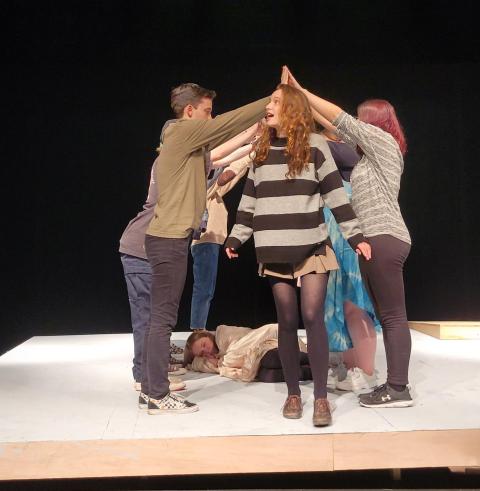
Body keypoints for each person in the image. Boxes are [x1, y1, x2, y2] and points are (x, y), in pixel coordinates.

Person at [225, 84, 371, 426]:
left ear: (291, 108)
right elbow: (249, 202)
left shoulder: (315, 146)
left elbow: (336, 196)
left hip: (312, 246)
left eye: (275, 101)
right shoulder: (261, 151)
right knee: (287, 320)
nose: (268, 106)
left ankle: (321, 398)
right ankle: (294, 394)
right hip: (275, 249)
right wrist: (236, 238)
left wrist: (356, 236)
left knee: (312, 313)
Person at [283, 66, 412, 408]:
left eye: (362, 119)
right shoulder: (368, 154)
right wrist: (301, 105)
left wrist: (301, 88)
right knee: (388, 315)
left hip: (384, 236)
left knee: (394, 316)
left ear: (375, 122)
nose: (357, 122)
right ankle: (393, 386)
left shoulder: (383, 143)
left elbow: (340, 121)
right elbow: (336, 129)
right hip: (373, 240)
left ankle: (399, 388)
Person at [141, 83, 270, 415]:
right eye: (206, 111)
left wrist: (253, 137)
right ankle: (156, 393)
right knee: (163, 320)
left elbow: (226, 143)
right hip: (168, 239)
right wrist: (273, 98)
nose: (209, 117)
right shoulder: (183, 133)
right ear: (189, 112)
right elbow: (228, 124)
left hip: (169, 238)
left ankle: (150, 389)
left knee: (161, 318)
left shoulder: (187, 144)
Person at [119, 120, 186, 393]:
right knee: (147, 317)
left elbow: (221, 163)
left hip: (146, 248)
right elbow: (218, 157)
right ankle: (143, 375)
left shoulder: (179, 165)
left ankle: (150, 371)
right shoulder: (170, 163)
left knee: (152, 316)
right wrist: (252, 133)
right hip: (140, 249)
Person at [320, 128, 381, 392]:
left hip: (346, 228)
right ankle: (351, 367)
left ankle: (367, 372)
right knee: (340, 307)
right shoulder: (325, 144)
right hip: (329, 227)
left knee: (354, 303)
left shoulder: (349, 147)